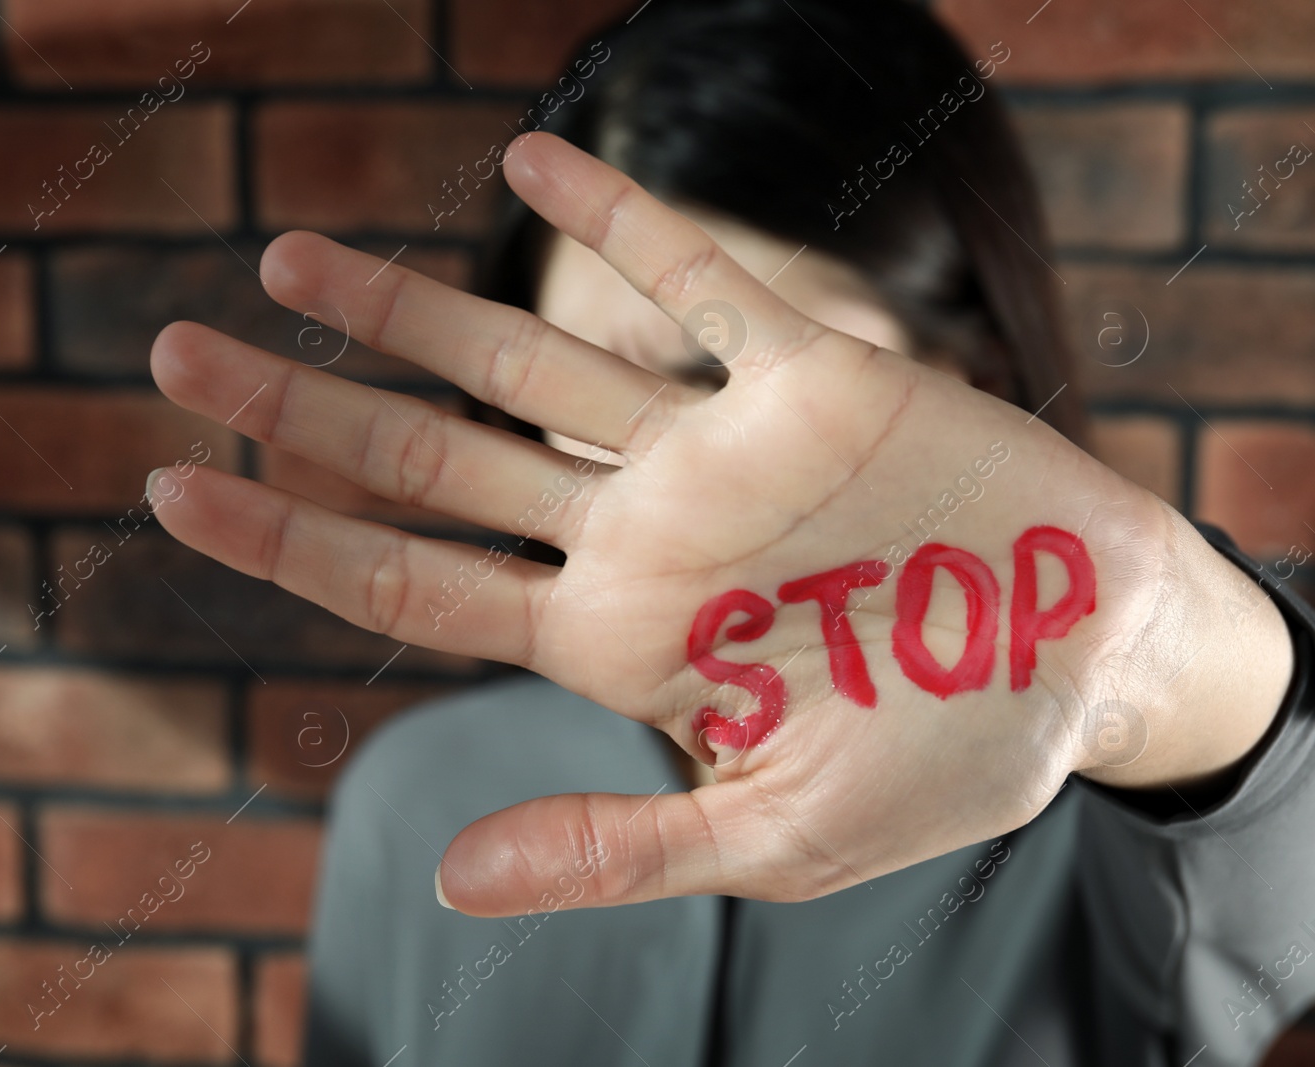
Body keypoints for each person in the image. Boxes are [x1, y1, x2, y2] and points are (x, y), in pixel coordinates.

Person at [143, 1, 1315, 1064]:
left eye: (721, 384)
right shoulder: (424, 791)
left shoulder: (1118, 821)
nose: (653, 488)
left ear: (975, 367)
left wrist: (1162, 637)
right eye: (574, 397)